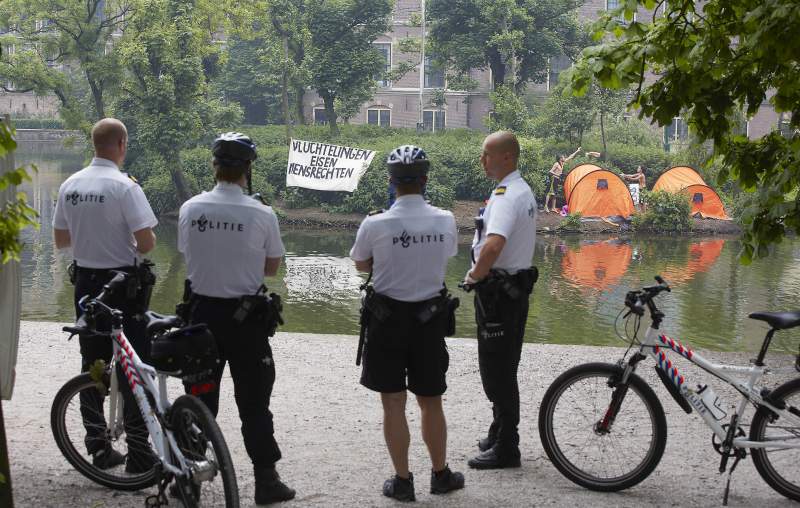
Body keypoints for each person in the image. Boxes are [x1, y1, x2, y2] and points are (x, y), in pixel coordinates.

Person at [177, 132, 295, 505]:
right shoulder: (261, 213)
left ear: (214, 167)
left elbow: (187, 253)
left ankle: (189, 479)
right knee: (254, 403)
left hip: (199, 318)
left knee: (199, 402)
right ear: (248, 170)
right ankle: (266, 481)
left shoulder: (191, 208)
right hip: (246, 321)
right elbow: (272, 267)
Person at [350, 145, 465, 502]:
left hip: (386, 322)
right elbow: (446, 256)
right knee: (431, 401)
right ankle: (441, 475)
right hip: (429, 321)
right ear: (425, 180)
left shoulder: (375, 222)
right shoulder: (444, 220)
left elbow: (361, 265)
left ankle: (402, 481)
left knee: (393, 403)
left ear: (391, 182)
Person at [53, 117, 158, 473]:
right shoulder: (125, 187)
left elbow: (61, 241)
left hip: (85, 284)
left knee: (93, 365)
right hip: (123, 286)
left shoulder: (70, 185)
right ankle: (140, 452)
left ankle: (98, 446)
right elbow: (146, 242)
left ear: (94, 144)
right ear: (122, 144)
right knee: (134, 364)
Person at [465, 131, 538, 469]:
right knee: (502, 366)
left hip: (499, 295)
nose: (482, 160)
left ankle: (508, 446)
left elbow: (493, 245)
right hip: (511, 291)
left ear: (507, 157)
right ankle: (499, 431)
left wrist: (474, 276)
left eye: (487, 154)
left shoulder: (508, 196)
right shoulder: (516, 190)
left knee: (498, 372)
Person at [544, 146, 581, 213]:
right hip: (553, 179)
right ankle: (546, 206)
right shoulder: (556, 164)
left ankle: (553, 208)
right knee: (550, 193)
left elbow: (570, 157)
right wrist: (557, 175)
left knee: (555, 194)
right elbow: (550, 171)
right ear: (560, 158)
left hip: (557, 180)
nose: (564, 158)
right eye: (563, 157)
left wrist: (577, 151)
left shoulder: (562, 163)